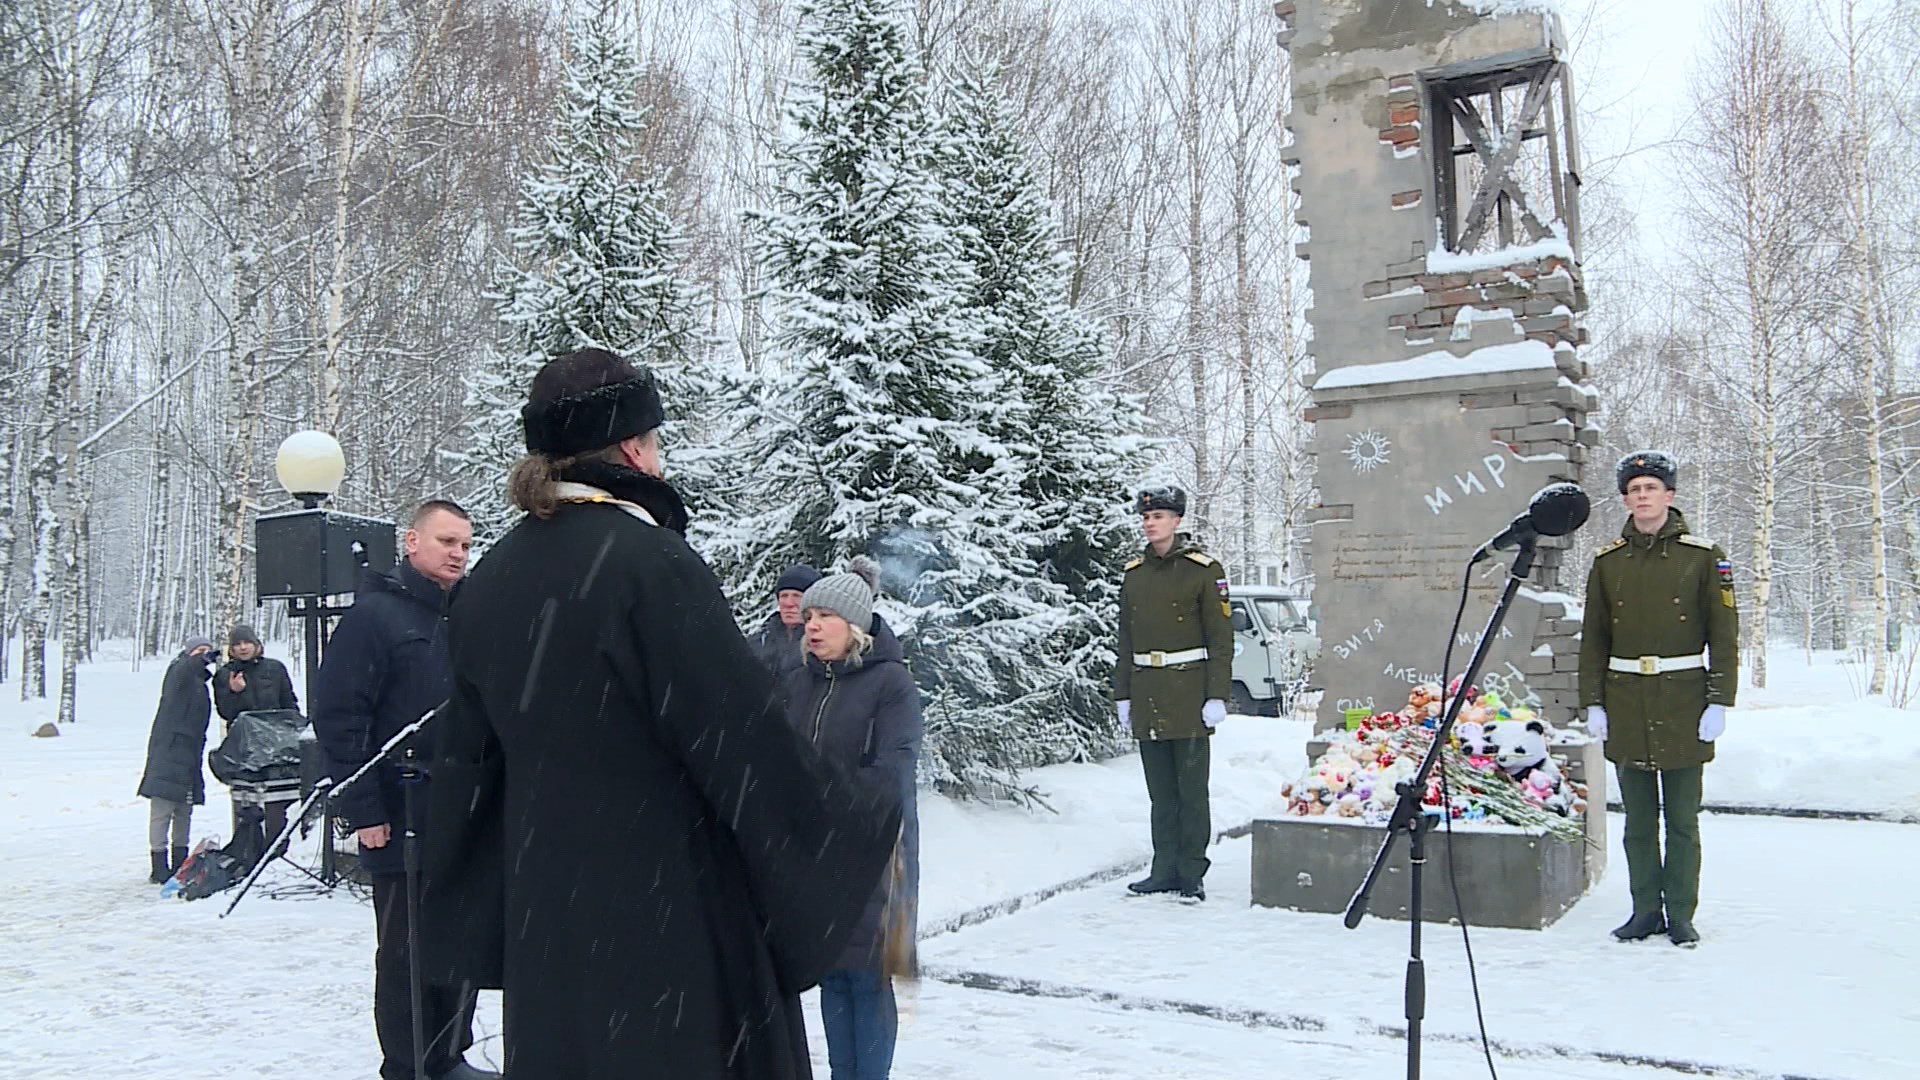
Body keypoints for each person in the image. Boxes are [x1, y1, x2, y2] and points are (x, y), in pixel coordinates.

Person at [421, 348, 902, 1079]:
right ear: (633, 448)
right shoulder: (650, 564)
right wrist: (855, 815)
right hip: (667, 921)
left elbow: (466, 768)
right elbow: (742, 741)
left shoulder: (490, 581)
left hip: (549, 924)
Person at [312, 499, 492, 1080]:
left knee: (461, 937)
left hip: (463, 811)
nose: (458, 555)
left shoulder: (469, 617)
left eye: (465, 545)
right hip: (399, 810)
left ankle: (451, 1052)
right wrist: (363, 808)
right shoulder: (375, 618)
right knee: (407, 951)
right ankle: (410, 1064)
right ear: (411, 543)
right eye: (447, 542)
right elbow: (340, 717)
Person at [1579, 451, 1739, 948]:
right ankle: (1645, 910)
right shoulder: (1608, 563)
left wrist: (1719, 700)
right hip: (1627, 702)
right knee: (1638, 823)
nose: (1642, 496)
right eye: (1634, 489)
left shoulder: (1704, 557)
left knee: (1683, 822)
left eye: (1651, 487)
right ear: (1625, 498)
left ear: (1669, 496)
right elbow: (1594, 638)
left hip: (1684, 703)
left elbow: (1725, 634)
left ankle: (1682, 914)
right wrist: (1594, 703)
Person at [784, 557, 921, 1080]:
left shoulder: (891, 684)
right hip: (815, 855)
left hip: (877, 855)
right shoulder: (801, 682)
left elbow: (892, 772)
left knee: (869, 975)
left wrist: (823, 799)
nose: (812, 625)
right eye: (810, 615)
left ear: (855, 627)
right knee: (833, 973)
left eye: (825, 616)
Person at [1113, 486, 1232, 902]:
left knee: (1191, 790)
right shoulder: (1134, 575)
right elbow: (1126, 639)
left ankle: (1191, 872)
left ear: (1177, 521)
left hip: (1189, 692)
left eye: (1159, 516)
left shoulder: (1203, 570)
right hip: (1147, 691)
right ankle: (1163, 868)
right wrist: (1122, 695)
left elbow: (1221, 639)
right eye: (1146, 517)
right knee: (1160, 792)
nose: (1150, 523)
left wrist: (1217, 694)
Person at [214, 623, 301, 857]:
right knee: (248, 803)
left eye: (246, 643)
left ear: (257, 645)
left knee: (279, 801)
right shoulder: (225, 674)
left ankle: (280, 851)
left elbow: (289, 703)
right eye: (237, 644)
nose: (242, 648)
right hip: (246, 751)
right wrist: (234, 691)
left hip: (278, 747)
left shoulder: (275, 668)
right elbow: (226, 712)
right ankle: (250, 851)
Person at [136, 635, 218, 883]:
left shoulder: (200, 684)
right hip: (168, 752)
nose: (204, 656)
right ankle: (158, 865)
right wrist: (199, 659)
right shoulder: (178, 673)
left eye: (207, 651)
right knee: (162, 811)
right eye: (199, 651)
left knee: (185, 810)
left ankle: (180, 862)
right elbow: (184, 668)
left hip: (190, 754)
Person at [751, 563, 822, 685]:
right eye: (784, 595)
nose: (789, 603)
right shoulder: (760, 640)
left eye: (797, 596)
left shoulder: (823, 641)